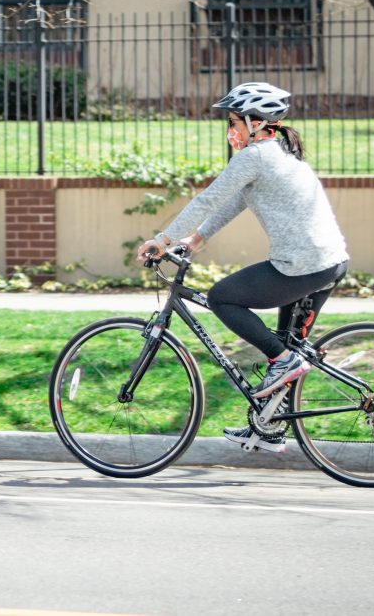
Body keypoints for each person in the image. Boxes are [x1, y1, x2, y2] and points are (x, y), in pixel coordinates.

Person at [136, 82, 349, 453]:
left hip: (300, 266)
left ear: (256, 121)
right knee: (286, 348)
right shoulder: (279, 152)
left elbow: (208, 199)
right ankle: (270, 427)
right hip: (327, 264)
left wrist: (163, 240)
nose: (230, 128)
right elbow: (235, 202)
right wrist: (196, 240)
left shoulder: (255, 157)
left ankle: (283, 361)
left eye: (234, 120)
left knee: (222, 299)